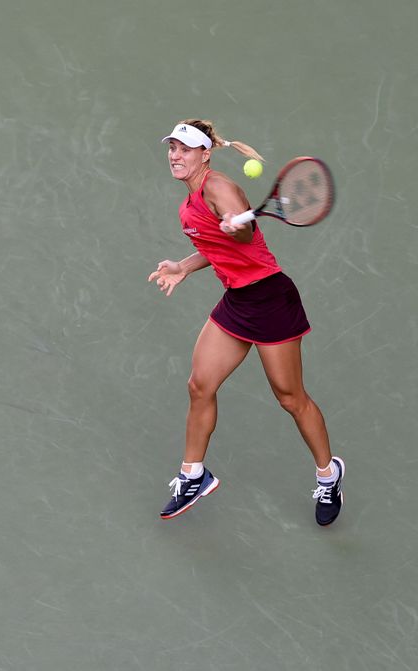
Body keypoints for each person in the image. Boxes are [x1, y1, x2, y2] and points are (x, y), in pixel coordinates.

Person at [149, 119, 344, 526]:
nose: (176, 155)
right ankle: (193, 476)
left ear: (205, 154)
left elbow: (243, 235)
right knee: (200, 385)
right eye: (172, 148)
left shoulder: (218, 187)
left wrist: (237, 226)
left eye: (185, 149)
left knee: (291, 399)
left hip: (270, 298)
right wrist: (183, 267)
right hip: (238, 301)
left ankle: (329, 475)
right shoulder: (188, 205)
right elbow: (215, 248)